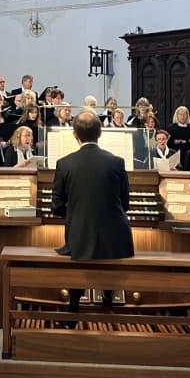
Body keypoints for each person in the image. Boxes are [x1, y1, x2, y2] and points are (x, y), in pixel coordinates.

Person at [51, 111, 133, 311]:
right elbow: (125, 204)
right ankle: (108, 298)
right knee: (106, 252)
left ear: (75, 135)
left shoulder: (64, 163)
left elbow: (56, 207)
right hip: (116, 239)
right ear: (100, 133)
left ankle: (74, 306)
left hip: (80, 237)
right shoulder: (117, 162)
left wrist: (77, 214)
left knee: (79, 253)